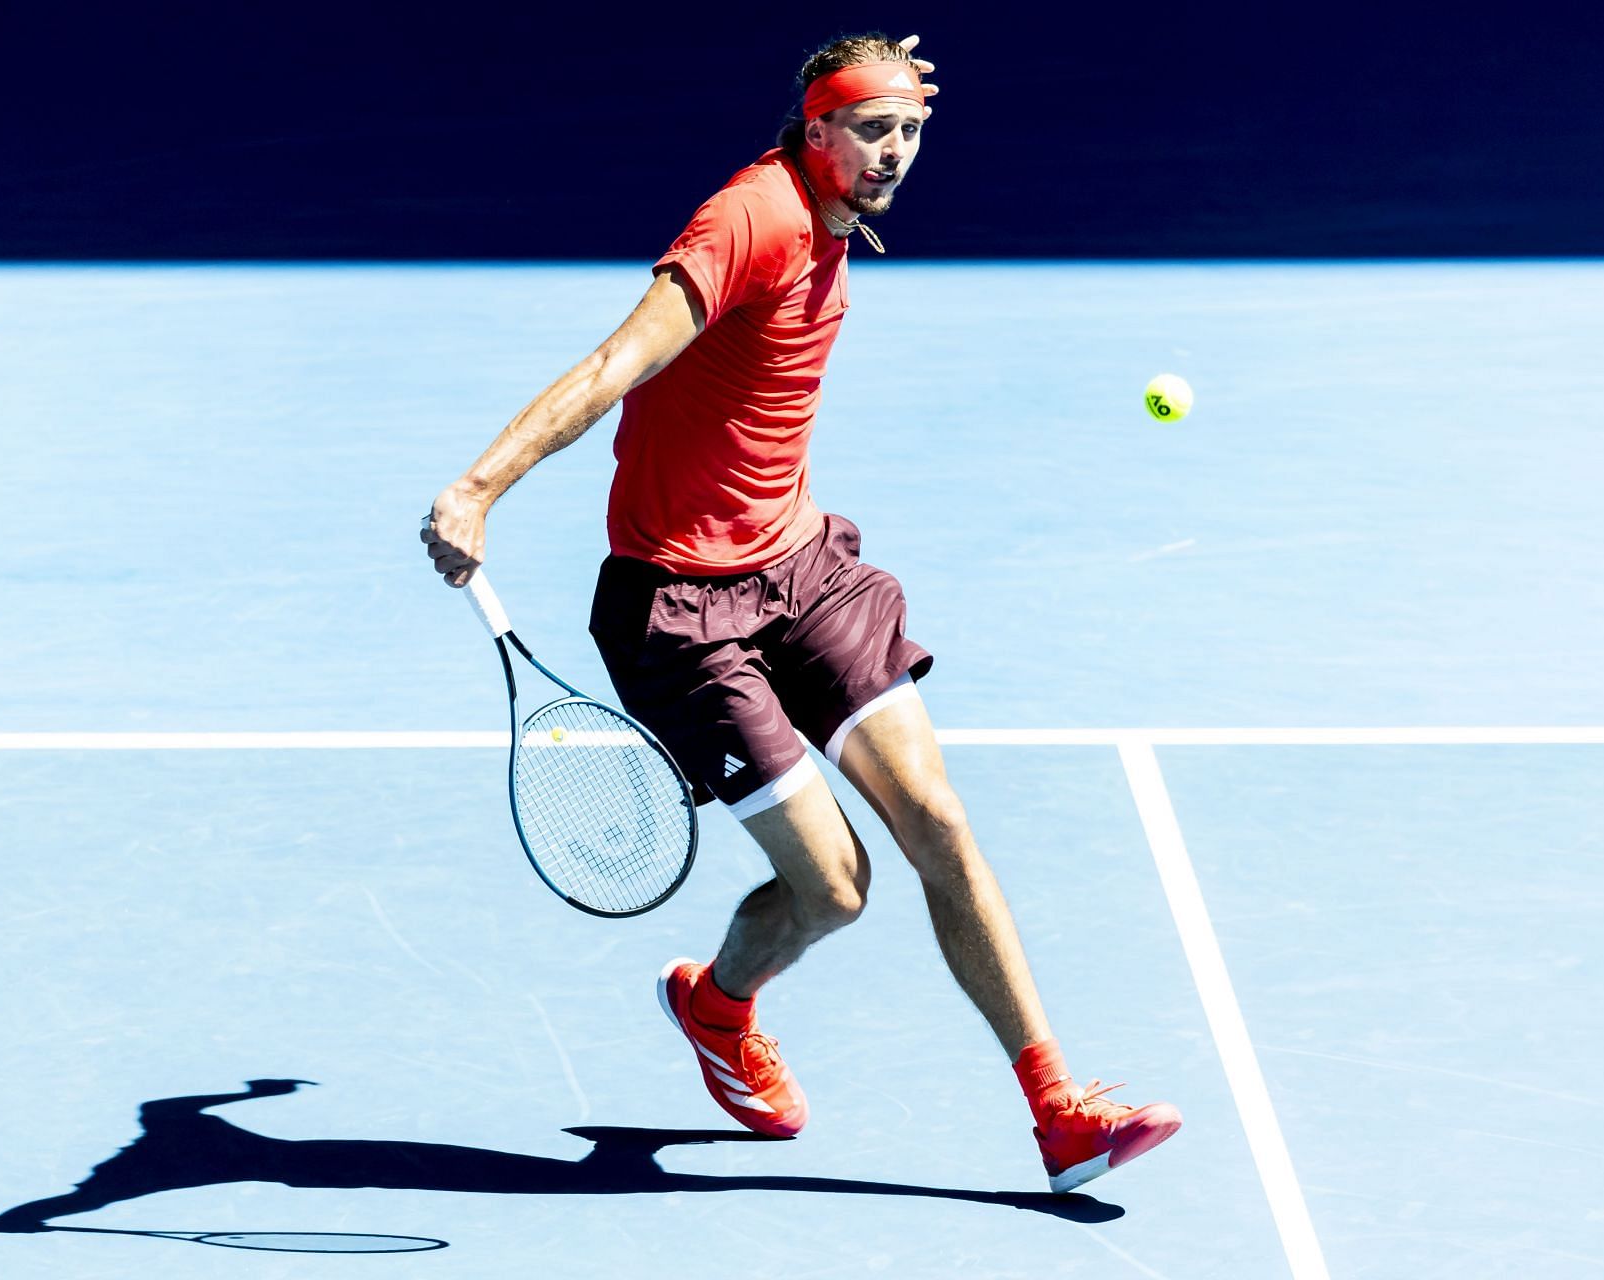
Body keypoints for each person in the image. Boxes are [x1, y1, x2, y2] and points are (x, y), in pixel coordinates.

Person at [421, 32, 1180, 1193]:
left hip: (806, 568)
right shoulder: (749, 222)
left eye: (910, 132)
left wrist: (877, 76)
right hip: (680, 610)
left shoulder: (836, 207)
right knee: (835, 887)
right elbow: (616, 363)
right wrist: (479, 487)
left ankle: (1060, 1110)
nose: (894, 154)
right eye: (871, 131)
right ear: (813, 131)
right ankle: (718, 1008)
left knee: (937, 820)